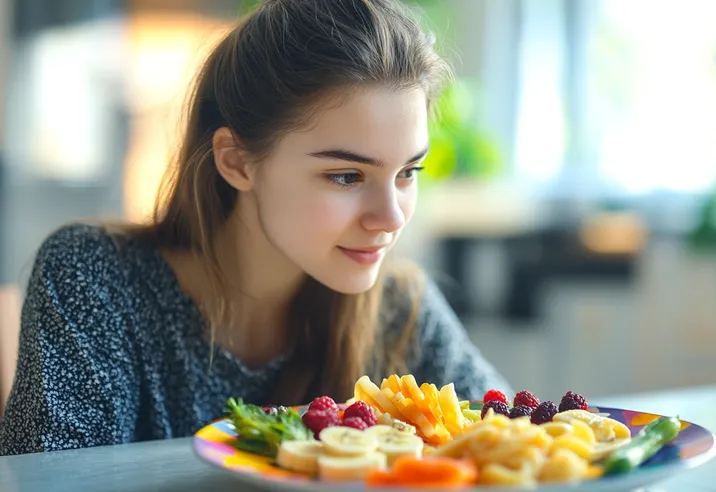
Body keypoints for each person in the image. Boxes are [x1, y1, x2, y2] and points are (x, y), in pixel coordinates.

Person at [0, 0, 510, 456]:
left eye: (407, 173)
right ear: (238, 162)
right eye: (346, 176)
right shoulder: (94, 281)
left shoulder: (401, 309)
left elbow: (516, 442)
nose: (392, 216)